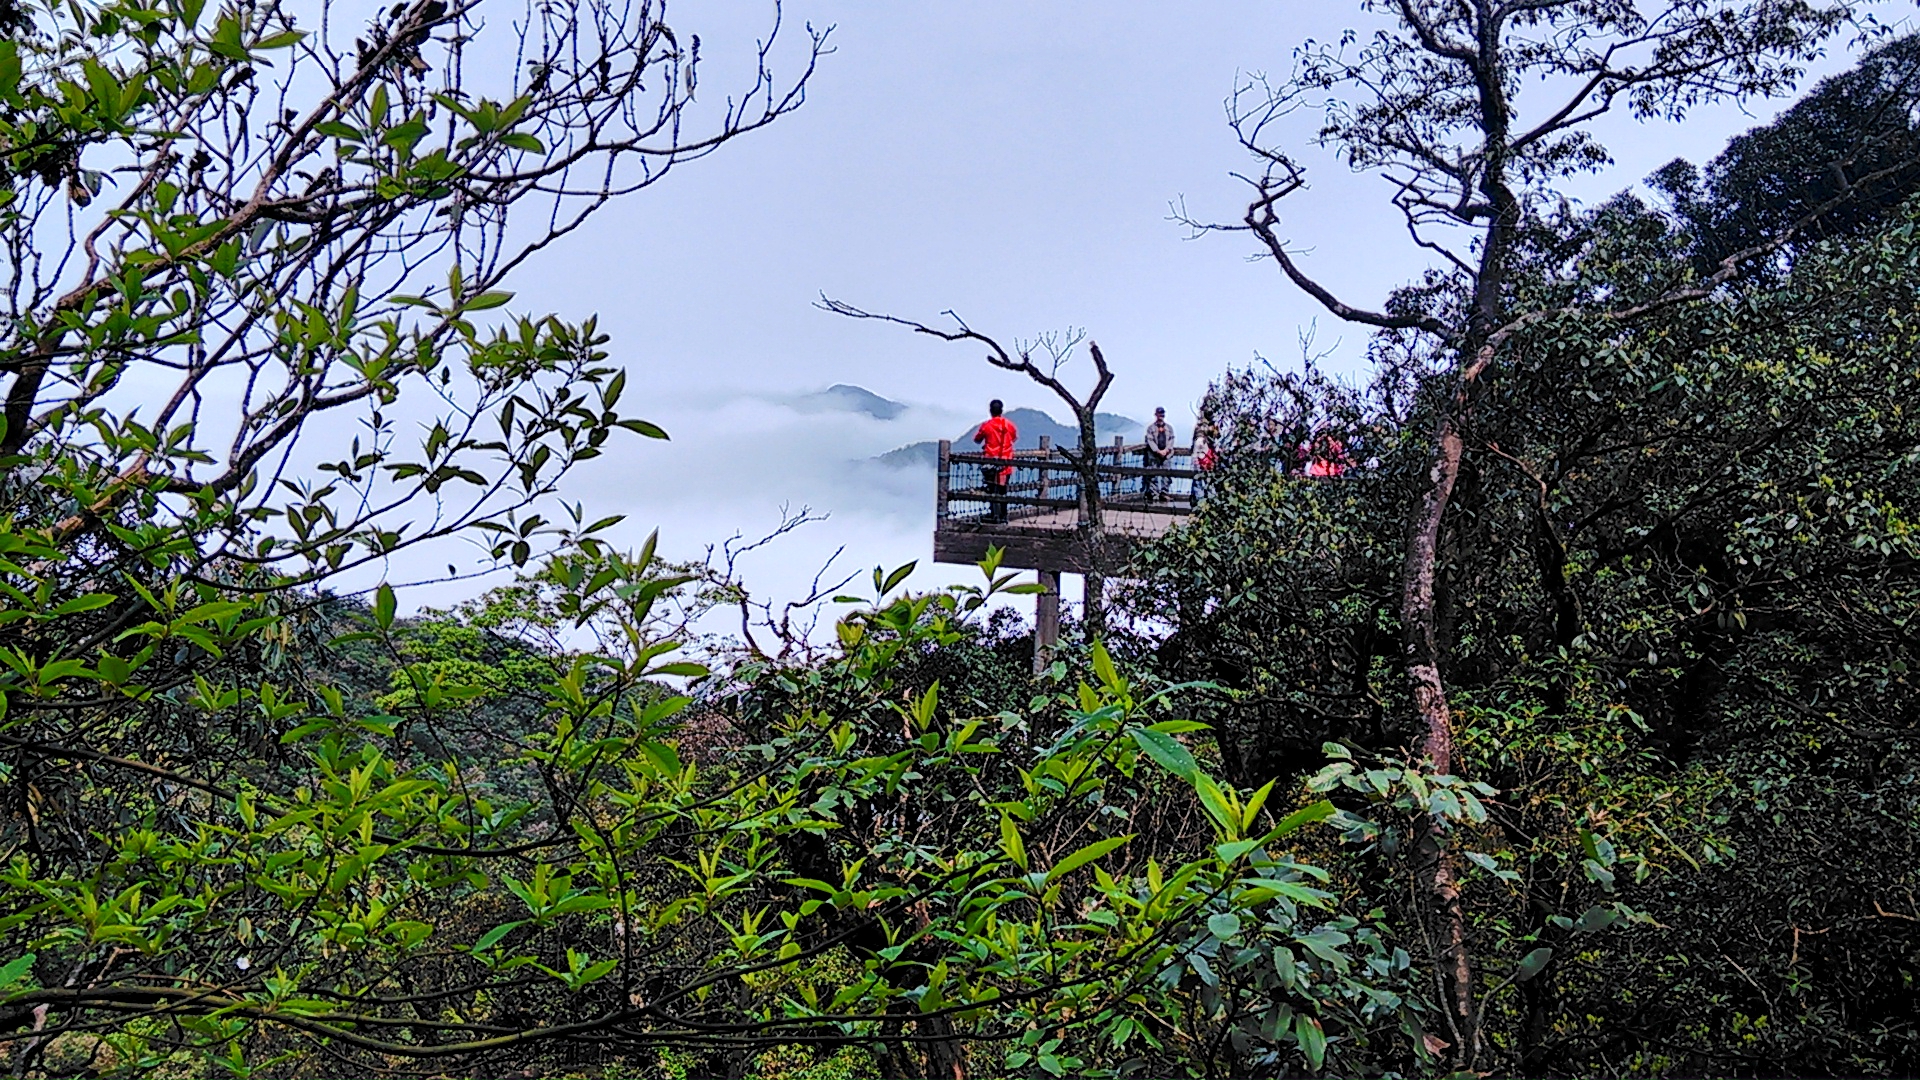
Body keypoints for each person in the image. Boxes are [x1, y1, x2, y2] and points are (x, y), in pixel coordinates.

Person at [974, 399, 1017, 523]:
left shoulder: (987, 425)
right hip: (1006, 462)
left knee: (992, 490)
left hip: (990, 463)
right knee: (1003, 490)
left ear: (990, 411)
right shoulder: (1009, 425)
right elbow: (1014, 438)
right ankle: (1003, 516)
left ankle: (994, 515)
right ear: (1002, 411)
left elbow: (977, 439)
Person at [1143, 406, 1175, 500]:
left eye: (1162, 414)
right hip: (1154, 455)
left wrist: (1166, 450)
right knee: (1153, 474)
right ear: (1156, 415)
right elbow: (1150, 440)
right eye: (1159, 414)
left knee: (1166, 474)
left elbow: (1171, 439)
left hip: (1167, 454)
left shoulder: (1169, 428)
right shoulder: (1150, 428)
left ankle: (1164, 493)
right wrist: (1157, 451)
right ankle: (1154, 494)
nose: (1161, 416)